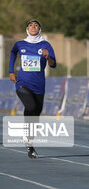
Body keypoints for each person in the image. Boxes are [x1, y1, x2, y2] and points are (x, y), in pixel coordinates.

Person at [9, 19, 56, 158]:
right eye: (31, 25)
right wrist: (11, 71)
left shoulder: (45, 45)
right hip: (22, 83)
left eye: (36, 25)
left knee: (36, 113)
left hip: (39, 85)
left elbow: (53, 64)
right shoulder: (20, 44)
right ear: (27, 29)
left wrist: (48, 57)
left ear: (40, 29)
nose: (33, 27)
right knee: (30, 106)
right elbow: (12, 54)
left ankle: (30, 145)